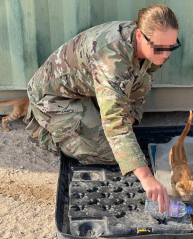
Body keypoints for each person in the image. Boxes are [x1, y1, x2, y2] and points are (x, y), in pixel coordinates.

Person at [26, 4, 181, 214]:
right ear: (139, 35)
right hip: (55, 98)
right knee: (111, 154)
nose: (165, 56)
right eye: (160, 49)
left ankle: (93, 115)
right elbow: (116, 125)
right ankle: (47, 130)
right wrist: (146, 178)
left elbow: (142, 79)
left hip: (86, 90)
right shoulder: (113, 60)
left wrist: (130, 118)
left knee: (139, 86)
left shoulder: (149, 42)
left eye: (171, 47)